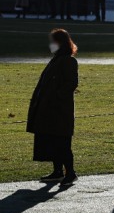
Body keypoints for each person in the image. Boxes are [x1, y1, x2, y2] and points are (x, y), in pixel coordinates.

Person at [27, 29, 79, 186]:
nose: (51, 45)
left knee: (62, 142)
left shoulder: (68, 61)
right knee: (53, 140)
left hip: (59, 110)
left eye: (54, 42)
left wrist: (56, 97)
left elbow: (71, 83)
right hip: (51, 108)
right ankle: (58, 171)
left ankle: (70, 172)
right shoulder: (57, 60)